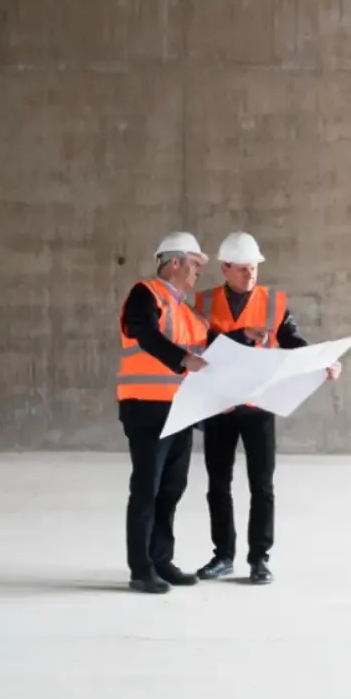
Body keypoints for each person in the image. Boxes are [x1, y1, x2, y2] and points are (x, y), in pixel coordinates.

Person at [192, 232, 337, 586]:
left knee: (262, 485)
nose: (250, 274)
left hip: (259, 405)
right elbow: (196, 344)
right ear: (224, 268)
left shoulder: (274, 303)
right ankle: (223, 556)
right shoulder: (202, 303)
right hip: (220, 405)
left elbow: (292, 342)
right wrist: (242, 335)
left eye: (254, 268)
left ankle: (259, 559)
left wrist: (321, 363)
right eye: (242, 269)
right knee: (218, 485)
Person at [117, 232, 212, 595]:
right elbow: (143, 333)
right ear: (174, 262)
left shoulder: (186, 311)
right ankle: (141, 569)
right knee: (147, 487)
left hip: (180, 409)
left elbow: (212, 348)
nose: (198, 273)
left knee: (171, 488)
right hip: (146, 407)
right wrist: (182, 359)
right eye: (194, 265)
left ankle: (161, 560)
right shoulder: (145, 294)